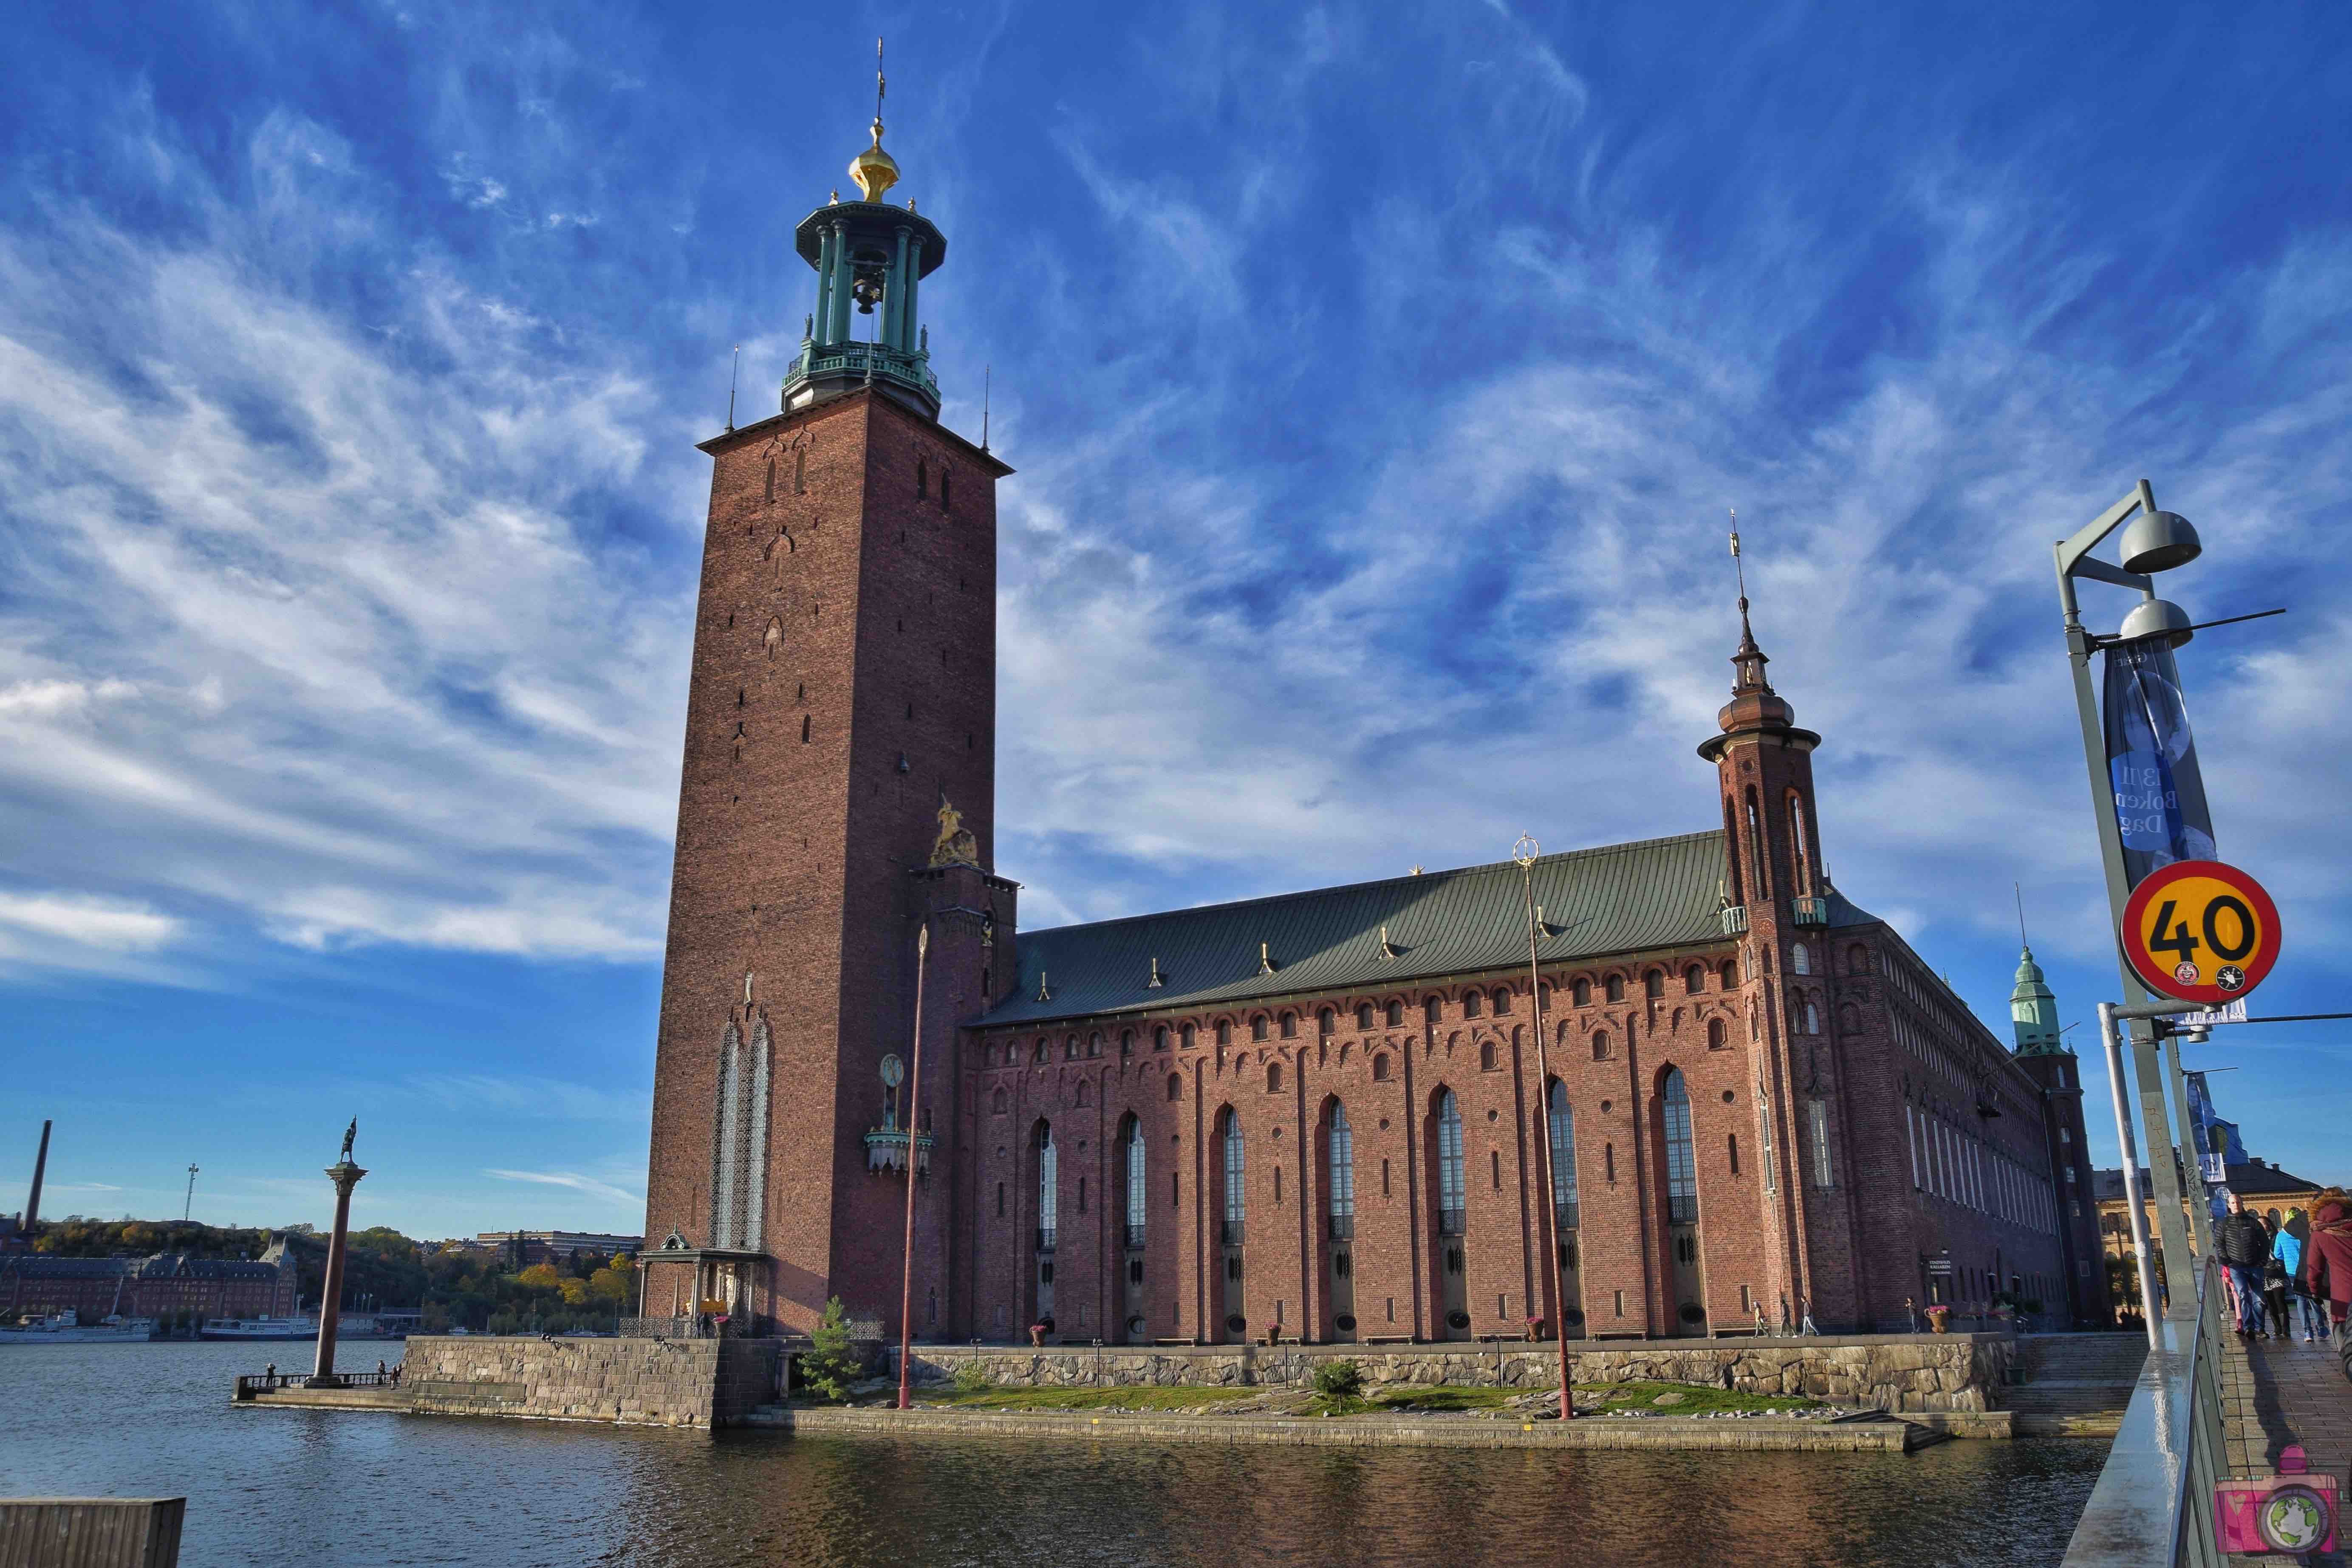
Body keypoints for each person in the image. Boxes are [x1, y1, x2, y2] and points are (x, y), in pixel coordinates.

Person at [2214, 1190, 2273, 1336]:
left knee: (2259, 1299)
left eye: (2238, 1202)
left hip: (2255, 1265)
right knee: (2243, 1295)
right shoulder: (2224, 1224)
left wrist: (2262, 1260)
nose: (2236, 1205)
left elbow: (2265, 1243)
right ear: (2229, 1205)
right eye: (2233, 1203)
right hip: (2236, 1266)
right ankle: (2249, 1327)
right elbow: (2219, 1243)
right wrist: (2226, 1260)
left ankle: (2260, 1328)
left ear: (2242, 1204)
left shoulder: (2253, 1223)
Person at [2302, 1190, 2352, 1340]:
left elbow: (2314, 1268)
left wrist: (2315, 1291)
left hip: (2344, 1297)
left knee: (2343, 1338)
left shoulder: (2320, 1234)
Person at [2281, 1209, 2328, 1344]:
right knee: (2314, 1301)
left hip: (2294, 1271)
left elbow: (2278, 1254)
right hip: (2309, 1267)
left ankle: (2307, 1331)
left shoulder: (2283, 1235)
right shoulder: (2310, 1232)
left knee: (2301, 1301)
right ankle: (2321, 1328)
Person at [2261, 1215, 2292, 1341]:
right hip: (2264, 1273)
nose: (2262, 1227)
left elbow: (2282, 1252)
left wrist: (2279, 1265)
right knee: (2270, 1302)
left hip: (2277, 1272)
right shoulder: (2257, 1238)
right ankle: (2277, 1327)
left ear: (2269, 1224)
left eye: (2263, 1224)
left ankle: (2286, 1328)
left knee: (2280, 1300)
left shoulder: (2277, 1237)